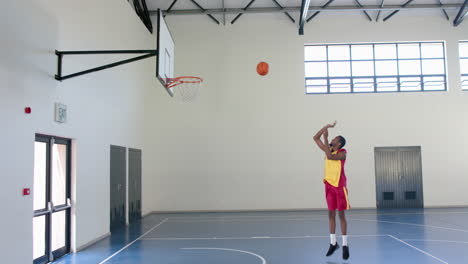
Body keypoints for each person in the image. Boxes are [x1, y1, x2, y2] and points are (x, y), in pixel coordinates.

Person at [313, 121, 350, 260]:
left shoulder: (343, 153)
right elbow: (315, 138)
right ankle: (333, 243)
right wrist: (326, 128)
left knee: (341, 216)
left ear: (339, 143)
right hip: (328, 185)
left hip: (339, 187)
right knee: (330, 215)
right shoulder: (329, 149)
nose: (333, 139)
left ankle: (345, 245)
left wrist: (326, 138)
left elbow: (330, 156)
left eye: (335, 138)